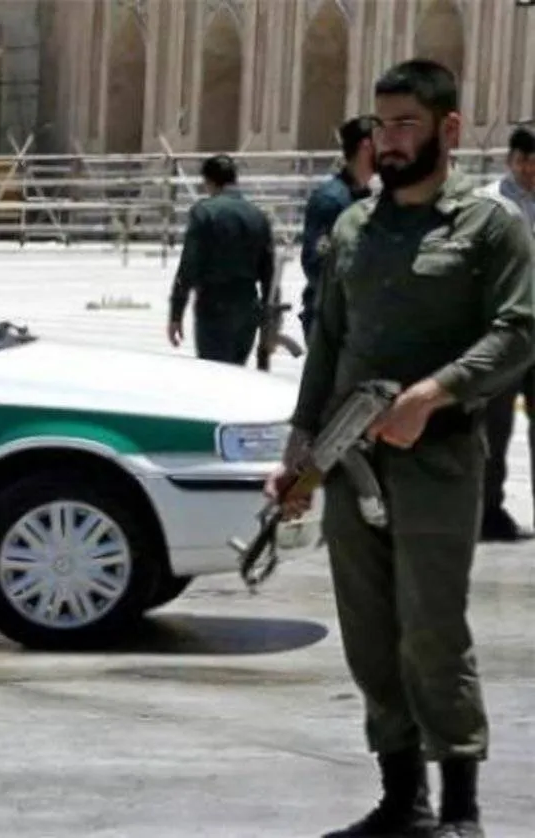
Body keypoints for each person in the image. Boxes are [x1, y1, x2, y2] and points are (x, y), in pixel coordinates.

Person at [270, 59, 535, 838]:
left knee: (432, 630)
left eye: (406, 125)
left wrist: (433, 394)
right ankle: (401, 801)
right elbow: (327, 346)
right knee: (369, 632)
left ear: (449, 129)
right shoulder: (354, 227)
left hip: (440, 461)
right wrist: (299, 455)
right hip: (350, 461)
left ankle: (461, 810)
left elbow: (520, 332)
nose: (388, 142)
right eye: (380, 126)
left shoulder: (489, 229)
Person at [477, 124, 535, 541]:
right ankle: (488, 509)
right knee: (494, 426)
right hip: (501, 328)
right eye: (523, 163)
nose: (530, 172)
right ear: (510, 160)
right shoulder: (486, 203)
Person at [166, 154, 277, 364]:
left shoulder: (204, 212)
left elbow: (188, 265)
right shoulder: (258, 215)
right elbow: (269, 274)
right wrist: (269, 322)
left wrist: (176, 312)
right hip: (247, 308)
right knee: (237, 372)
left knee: (215, 375)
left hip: (214, 306)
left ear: (209, 181)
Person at [300, 116, 377, 338]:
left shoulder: (367, 198)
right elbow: (316, 264)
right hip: (332, 322)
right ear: (366, 146)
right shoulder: (331, 200)